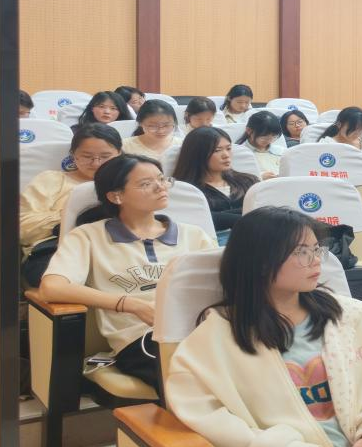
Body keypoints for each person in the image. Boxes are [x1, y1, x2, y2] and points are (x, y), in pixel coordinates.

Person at [166, 207, 362, 447]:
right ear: (260, 262)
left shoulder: (353, 317)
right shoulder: (215, 338)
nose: (316, 260)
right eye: (301, 252)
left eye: (316, 249)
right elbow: (208, 418)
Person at [39, 155, 216, 391]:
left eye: (162, 179)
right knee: (192, 377)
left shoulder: (193, 235)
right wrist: (131, 305)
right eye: (146, 183)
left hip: (201, 329)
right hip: (141, 338)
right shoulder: (89, 236)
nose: (160, 187)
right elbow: (52, 288)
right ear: (116, 196)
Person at [20, 125, 123, 287]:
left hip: (118, 245)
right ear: (74, 155)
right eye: (87, 156)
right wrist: (70, 216)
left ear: (119, 154)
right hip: (57, 247)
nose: (96, 163)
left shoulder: (128, 183)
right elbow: (23, 227)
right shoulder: (51, 180)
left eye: (105, 156)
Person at [172, 127, 260, 244]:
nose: (226, 155)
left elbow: (263, 210)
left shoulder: (248, 181)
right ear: (197, 154)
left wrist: (220, 216)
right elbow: (196, 220)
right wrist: (245, 215)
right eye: (217, 150)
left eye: (228, 148)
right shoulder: (185, 190)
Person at [320, 107, 362, 182]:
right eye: (353, 129)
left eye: (361, 129)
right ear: (339, 125)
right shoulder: (326, 145)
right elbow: (326, 169)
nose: (357, 133)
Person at [237, 111, 283, 178]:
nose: (269, 141)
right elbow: (237, 179)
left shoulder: (281, 151)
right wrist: (259, 177)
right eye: (264, 138)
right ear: (249, 130)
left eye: (274, 137)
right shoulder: (239, 153)